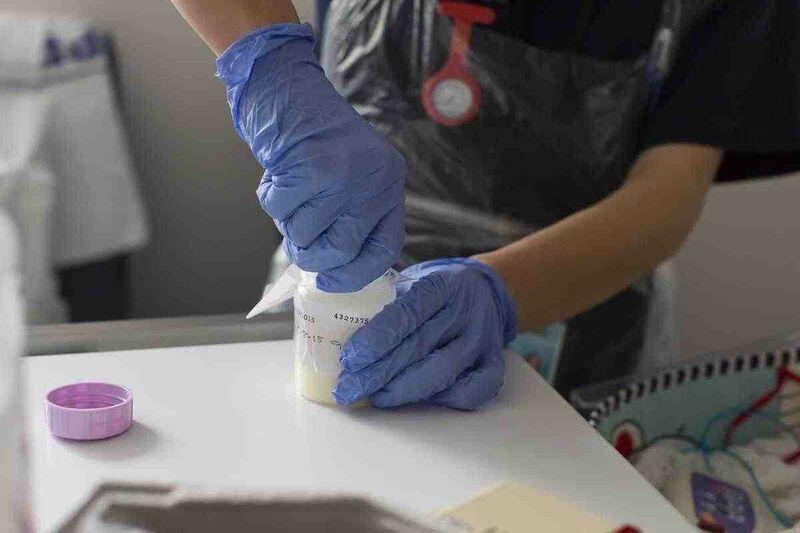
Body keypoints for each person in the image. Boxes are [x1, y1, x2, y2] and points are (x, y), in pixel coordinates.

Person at [171, 0, 800, 409]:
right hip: (331, 281)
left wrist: (498, 294)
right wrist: (268, 64)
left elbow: (665, 198)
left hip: (573, 319)